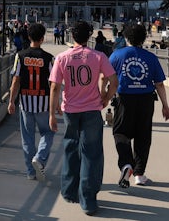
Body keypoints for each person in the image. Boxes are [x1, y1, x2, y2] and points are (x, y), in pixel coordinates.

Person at [49, 21, 118, 216]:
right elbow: (114, 81)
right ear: (89, 36)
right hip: (91, 110)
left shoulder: (62, 58)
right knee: (92, 153)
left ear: (72, 36)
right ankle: (87, 199)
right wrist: (105, 98)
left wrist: (52, 114)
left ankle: (69, 190)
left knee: (71, 148)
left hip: (70, 110)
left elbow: (54, 87)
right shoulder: (98, 56)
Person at [109, 24, 169, 188]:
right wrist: (165, 105)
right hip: (146, 100)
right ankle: (139, 174)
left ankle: (126, 164)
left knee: (120, 132)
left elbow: (107, 77)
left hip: (124, 99)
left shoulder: (117, 55)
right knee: (143, 137)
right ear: (144, 39)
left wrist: (103, 95)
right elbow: (159, 84)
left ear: (127, 38)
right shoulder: (151, 58)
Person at [8, 23, 55, 182]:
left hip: (25, 102)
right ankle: (40, 158)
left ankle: (30, 171)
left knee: (27, 137)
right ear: (42, 39)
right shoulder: (49, 58)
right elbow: (53, 83)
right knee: (48, 132)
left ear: (28, 37)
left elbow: (16, 80)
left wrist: (11, 101)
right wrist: (56, 105)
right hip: (43, 102)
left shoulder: (20, 56)